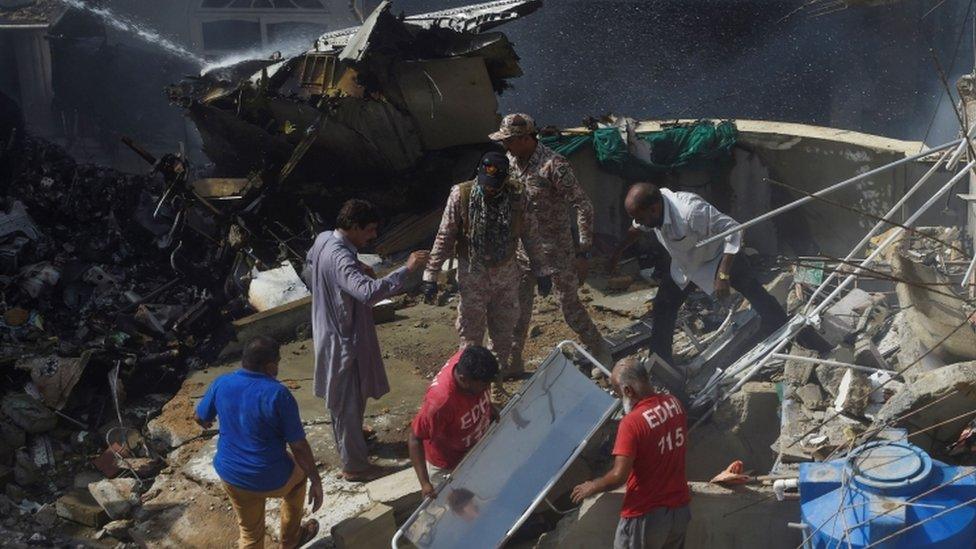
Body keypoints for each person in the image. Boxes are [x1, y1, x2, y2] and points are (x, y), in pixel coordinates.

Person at [610, 182, 830, 366]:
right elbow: (637, 229)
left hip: (719, 257)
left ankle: (804, 340)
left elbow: (734, 231)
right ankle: (660, 362)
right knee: (664, 306)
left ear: (654, 208)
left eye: (641, 218)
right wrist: (616, 253)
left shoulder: (690, 211)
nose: (639, 223)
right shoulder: (649, 213)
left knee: (756, 295)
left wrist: (723, 275)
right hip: (686, 264)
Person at [306, 199, 429, 481]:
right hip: (343, 339)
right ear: (352, 227)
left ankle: (353, 438)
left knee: (349, 397)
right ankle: (355, 466)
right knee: (346, 400)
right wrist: (406, 270)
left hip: (331, 329)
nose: (373, 236)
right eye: (369, 230)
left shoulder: (325, 239)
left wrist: (356, 265)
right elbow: (369, 293)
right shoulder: (339, 256)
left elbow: (312, 261)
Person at [490, 113, 611, 371]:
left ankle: (600, 348)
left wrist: (583, 252)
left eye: (508, 140)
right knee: (517, 309)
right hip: (523, 254)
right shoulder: (511, 162)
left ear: (524, 138)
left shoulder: (554, 165)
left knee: (569, 307)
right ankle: (512, 362)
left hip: (556, 254)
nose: (504, 146)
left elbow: (583, 206)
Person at [420, 151, 552, 379]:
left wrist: (542, 271)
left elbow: (531, 236)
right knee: (470, 334)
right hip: (473, 273)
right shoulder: (461, 195)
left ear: (505, 179)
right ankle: (470, 384)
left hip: (506, 274)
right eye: (486, 183)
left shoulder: (518, 197)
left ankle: (494, 381)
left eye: (495, 184)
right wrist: (430, 275)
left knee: (503, 333)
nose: (490, 189)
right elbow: (445, 236)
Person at [195, 336, 322, 549]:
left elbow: (200, 417)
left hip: (231, 475)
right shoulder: (278, 394)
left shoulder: (222, 382)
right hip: (270, 477)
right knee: (299, 479)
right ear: (271, 366)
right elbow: (298, 446)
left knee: (250, 534)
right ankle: (290, 540)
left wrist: (207, 421)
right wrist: (316, 480)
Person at [571, 358, 691, 549]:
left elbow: (619, 476)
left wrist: (595, 485)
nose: (619, 398)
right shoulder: (674, 403)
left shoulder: (631, 423)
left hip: (645, 515)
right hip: (679, 511)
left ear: (628, 391)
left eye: (618, 392)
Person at [408, 346, 499, 499]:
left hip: (473, 447)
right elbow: (414, 438)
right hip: (448, 463)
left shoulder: (469, 362)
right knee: (455, 507)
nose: (487, 388)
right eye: (484, 384)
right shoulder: (440, 403)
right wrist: (425, 484)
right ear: (464, 379)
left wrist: (488, 407)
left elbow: (481, 389)